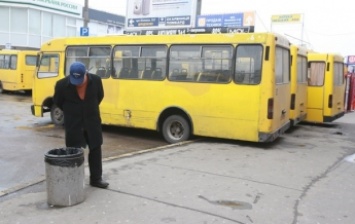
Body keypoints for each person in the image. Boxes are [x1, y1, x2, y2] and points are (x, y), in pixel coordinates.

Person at [53, 61, 109, 188]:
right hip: (74, 124)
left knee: (95, 149)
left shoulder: (96, 81)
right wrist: (73, 112)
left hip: (92, 122)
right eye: (74, 79)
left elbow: (99, 96)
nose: (77, 83)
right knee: (73, 152)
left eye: (80, 79)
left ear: (86, 74)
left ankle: (96, 179)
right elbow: (58, 102)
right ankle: (74, 180)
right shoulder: (62, 85)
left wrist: (88, 109)